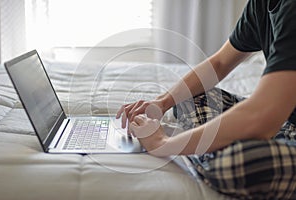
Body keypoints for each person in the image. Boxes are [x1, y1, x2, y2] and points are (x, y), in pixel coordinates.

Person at [116, 0, 296, 199]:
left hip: (275, 120)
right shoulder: (261, 4)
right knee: (187, 100)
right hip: (286, 122)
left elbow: (261, 118)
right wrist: (163, 102)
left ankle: (213, 153)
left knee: (236, 163)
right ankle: (211, 153)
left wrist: (163, 143)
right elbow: (219, 63)